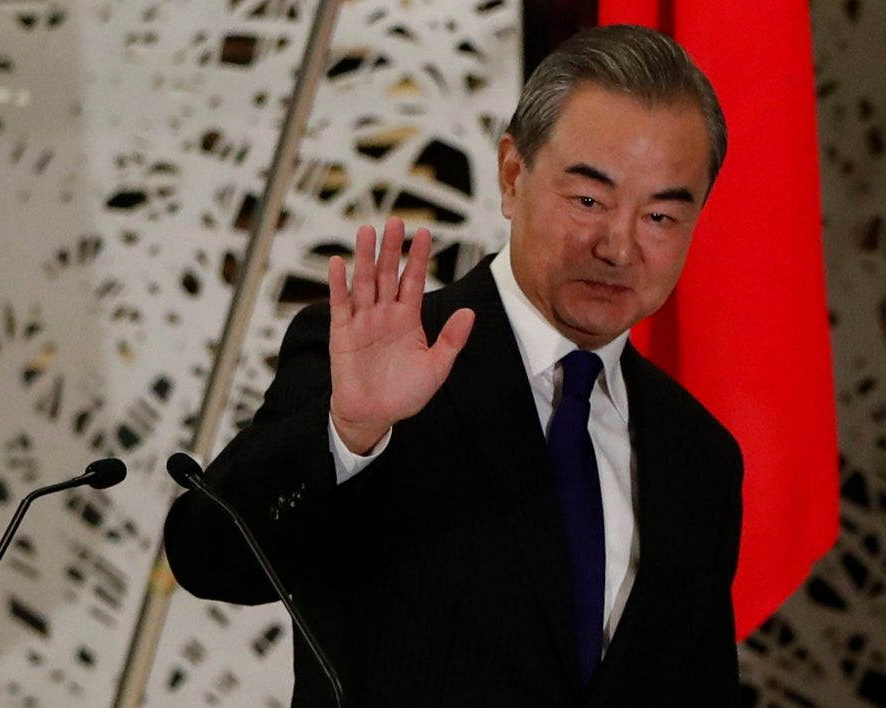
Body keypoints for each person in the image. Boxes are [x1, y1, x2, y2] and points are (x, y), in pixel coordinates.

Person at [165, 24, 743, 708]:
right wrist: (347, 435)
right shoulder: (383, 365)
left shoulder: (700, 455)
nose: (618, 246)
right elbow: (210, 559)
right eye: (588, 200)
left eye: (661, 218)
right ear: (511, 175)